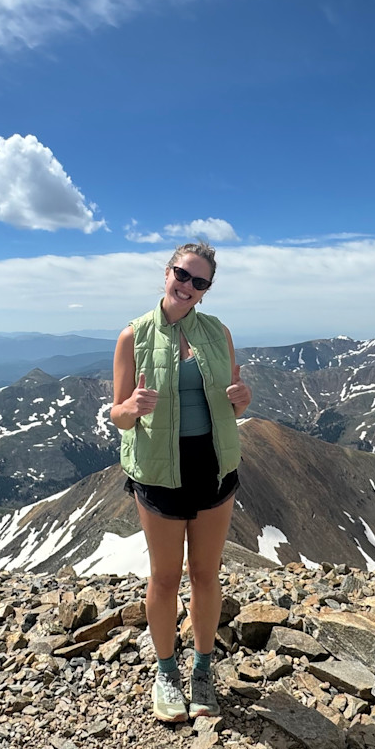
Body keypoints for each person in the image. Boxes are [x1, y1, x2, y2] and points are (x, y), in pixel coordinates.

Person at [110, 242, 251, 723]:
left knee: (206, 574)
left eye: (200, 282)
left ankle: (203, 668)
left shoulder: (218, 333)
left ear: (207, 290)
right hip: (158, 470)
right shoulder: (133, 336)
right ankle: (166, 670)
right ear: (166, 273)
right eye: (182, 275)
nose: (187, 287)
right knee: (166, 576)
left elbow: (234, 404)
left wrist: (243, 398)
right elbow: (118, 415)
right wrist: (132, 408)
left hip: (213, 465)